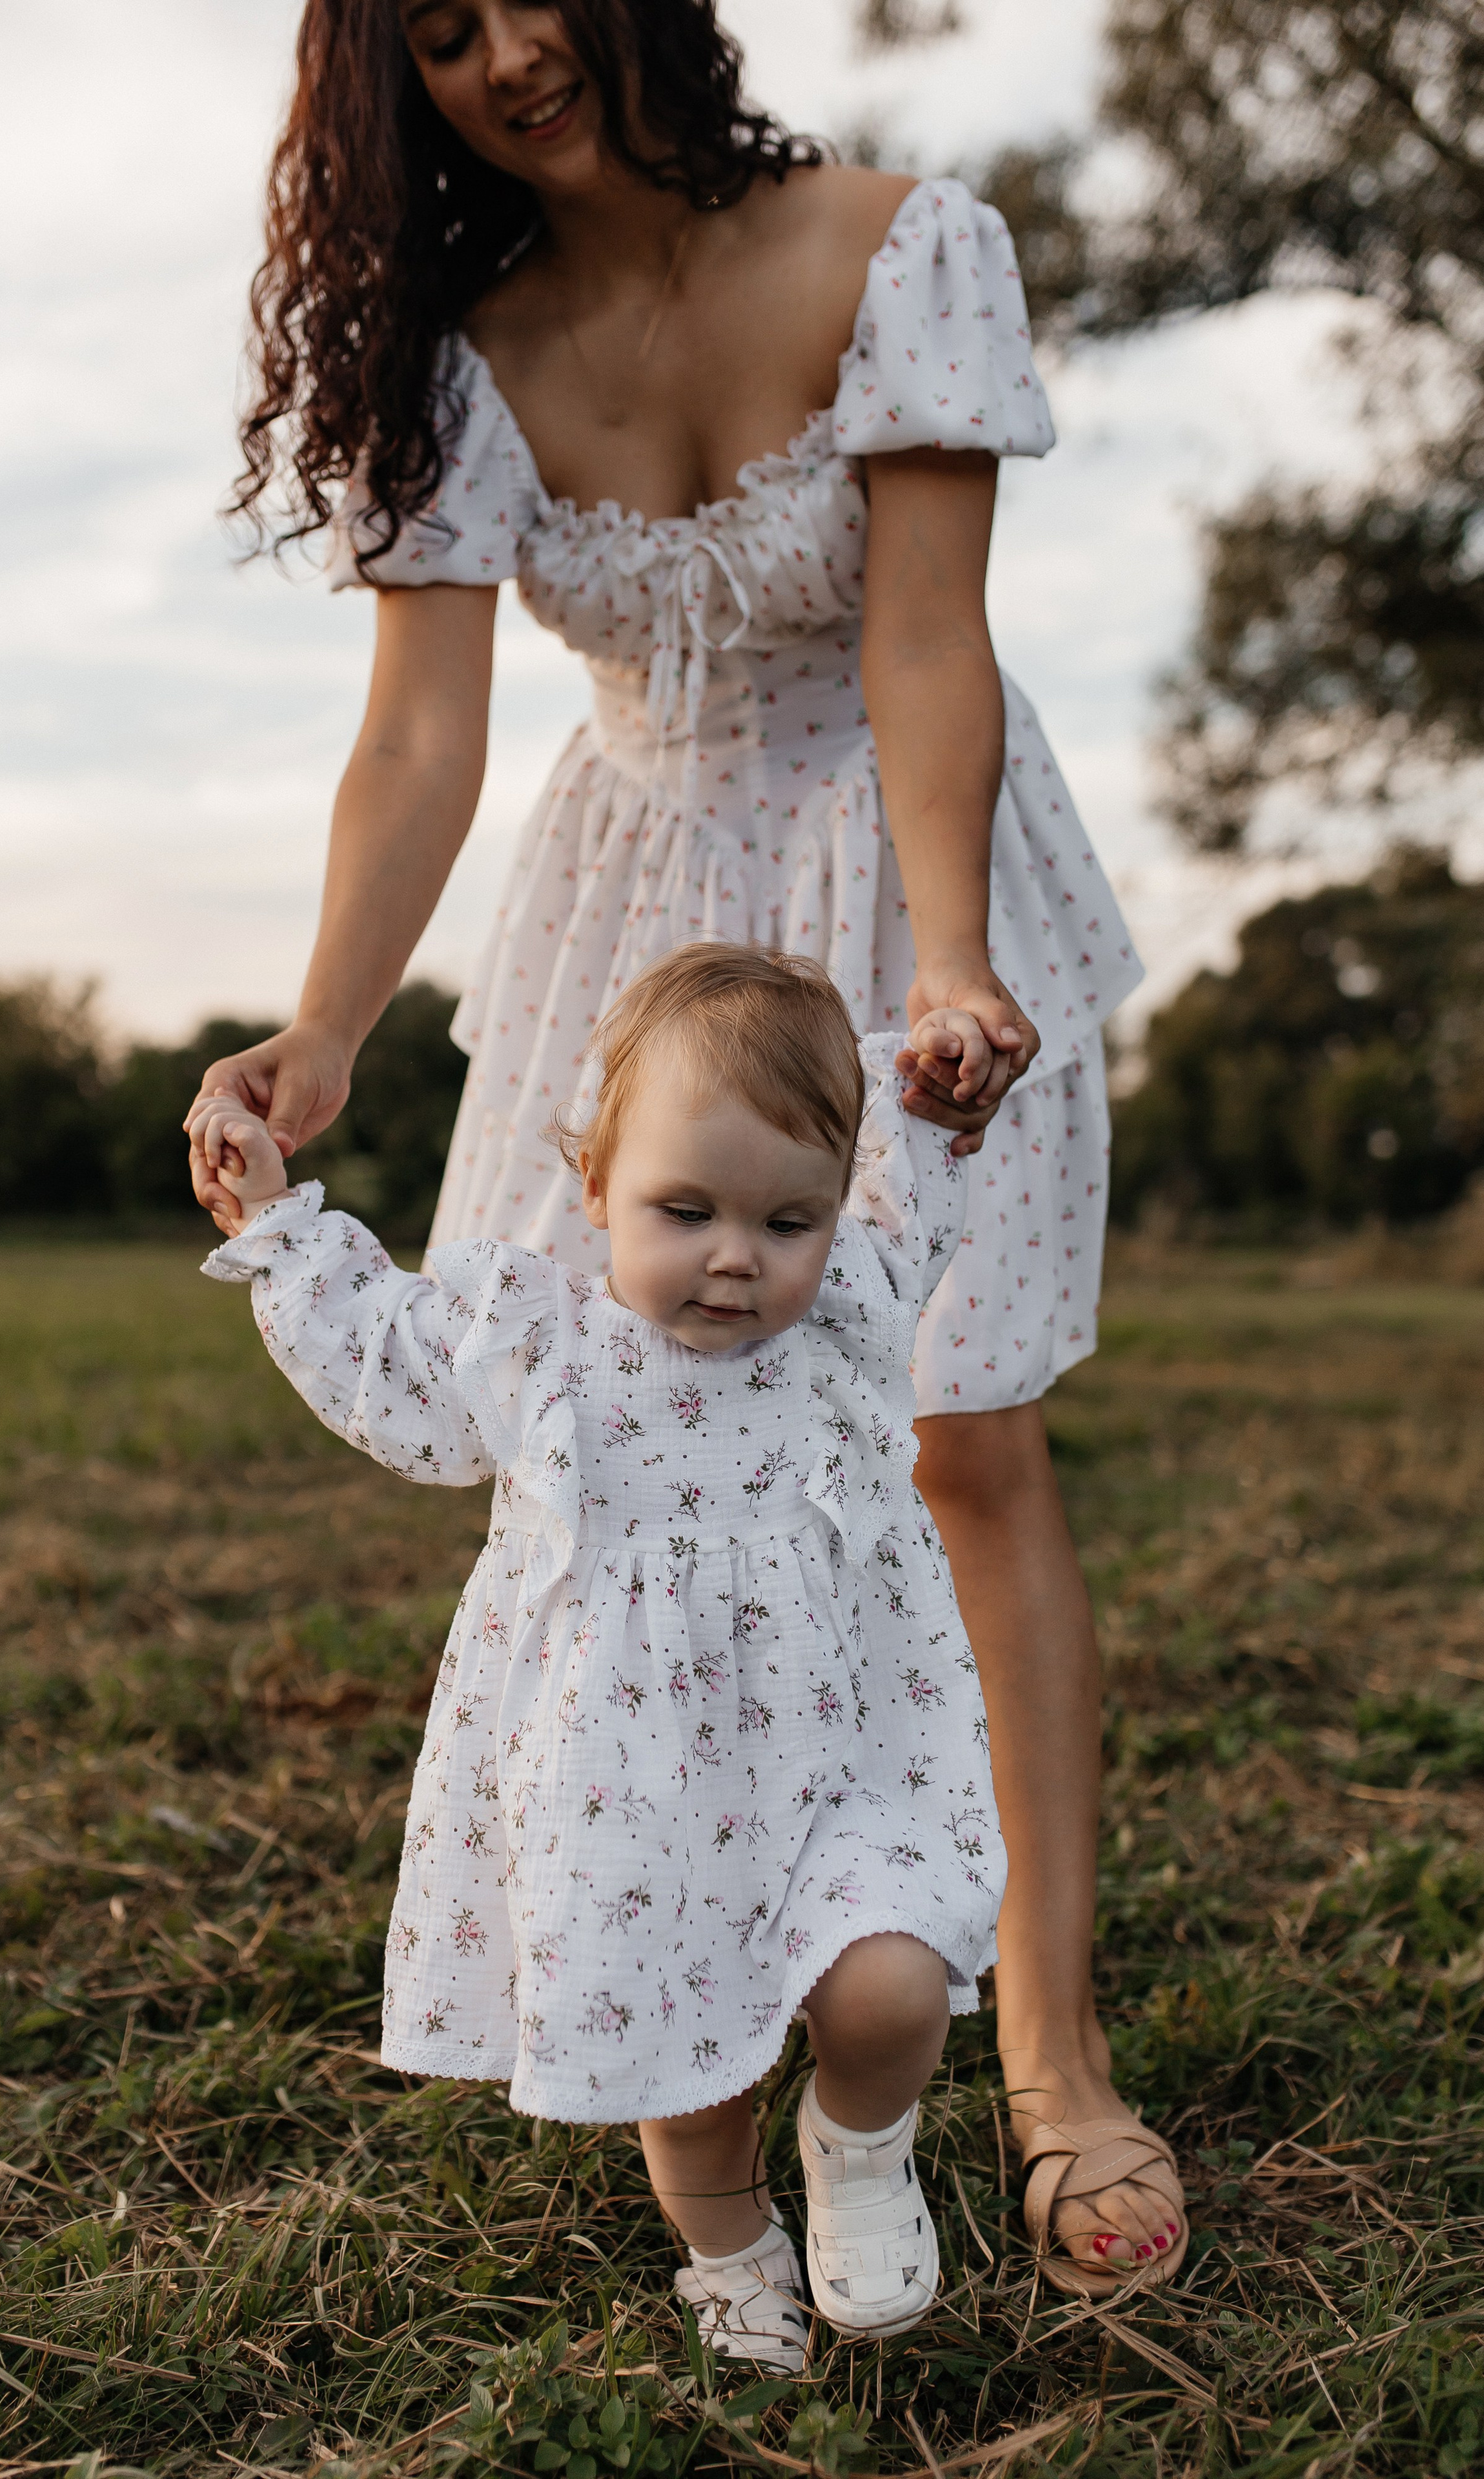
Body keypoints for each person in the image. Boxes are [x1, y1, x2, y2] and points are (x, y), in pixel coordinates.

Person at [187, 0, 1186, 2296]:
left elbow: (937, 638)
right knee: (624, 1450)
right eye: (434, 31)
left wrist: (947, 974)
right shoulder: (461, 352)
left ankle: (1038, 2043)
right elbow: (420, 731)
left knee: (959, 1445)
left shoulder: (897, 243)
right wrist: (325, 1029)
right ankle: (713, 1983)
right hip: (634, 913)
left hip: (913, 874)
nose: (506, 51)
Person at [196, 943, 1009, 2366]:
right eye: (682, 1210)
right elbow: (381, 1352)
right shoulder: (541, 1349)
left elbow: (916, 1200)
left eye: (786, 1218)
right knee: (680, 2048)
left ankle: (857, 2148)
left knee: (888, 1985)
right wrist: (273, 1217)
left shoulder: (849, 1323)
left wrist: (943, 1108)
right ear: (594, 1193)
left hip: (845, 1755)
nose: (736, 1255)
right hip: (635, 1780)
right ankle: (729, 2247)